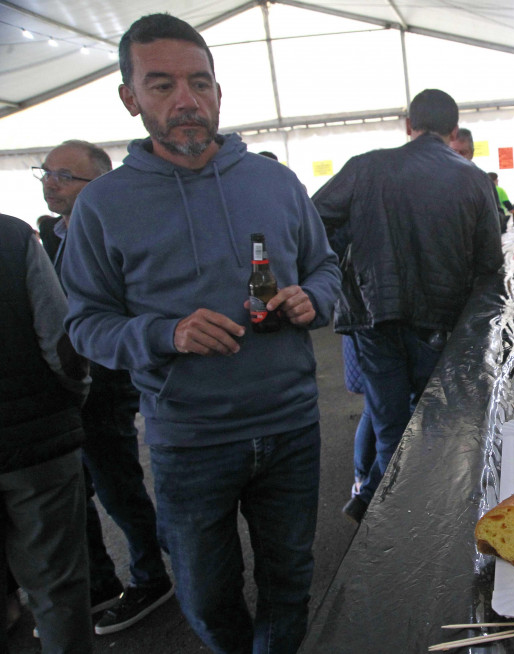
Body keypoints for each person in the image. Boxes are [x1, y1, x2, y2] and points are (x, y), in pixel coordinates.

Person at [61, 13, 341, 654]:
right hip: (189, 438)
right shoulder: (103, 205)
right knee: (206, 595)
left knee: (290, 583)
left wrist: (313, 297)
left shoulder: (275, 181)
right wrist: (165, 333)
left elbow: (326, 267)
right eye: (161, 86)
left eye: (200, 83)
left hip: (292, 423)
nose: (186, 101)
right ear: (130, 98)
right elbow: (84, 324)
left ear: (218, 90)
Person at [312, 89, 504, 524]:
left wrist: (345, 266)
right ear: (454, 132)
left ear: (407, 125)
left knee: (388, 424)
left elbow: (310, 221)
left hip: (372, 317)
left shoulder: (364, 167)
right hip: (439, 322)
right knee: (438, 421)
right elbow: (489, 265)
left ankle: (381, 516)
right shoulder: (471, 177)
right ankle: (419, 519)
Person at [37, 139, 175, 635]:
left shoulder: (114, 232)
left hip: (106, 380)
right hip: (67, 384)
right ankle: (100, 583)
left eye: (64, 176)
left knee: (117, 484)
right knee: (80, 488)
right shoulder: (51, 236)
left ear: (99, 183)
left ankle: (151, 575)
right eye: (47, 173)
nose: (52, 183)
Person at [1, 212, 92, 654]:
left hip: (34, 438)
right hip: (35, 444)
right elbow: (60, 340)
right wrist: (71, 401)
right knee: (56, 586)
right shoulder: (11, 236)